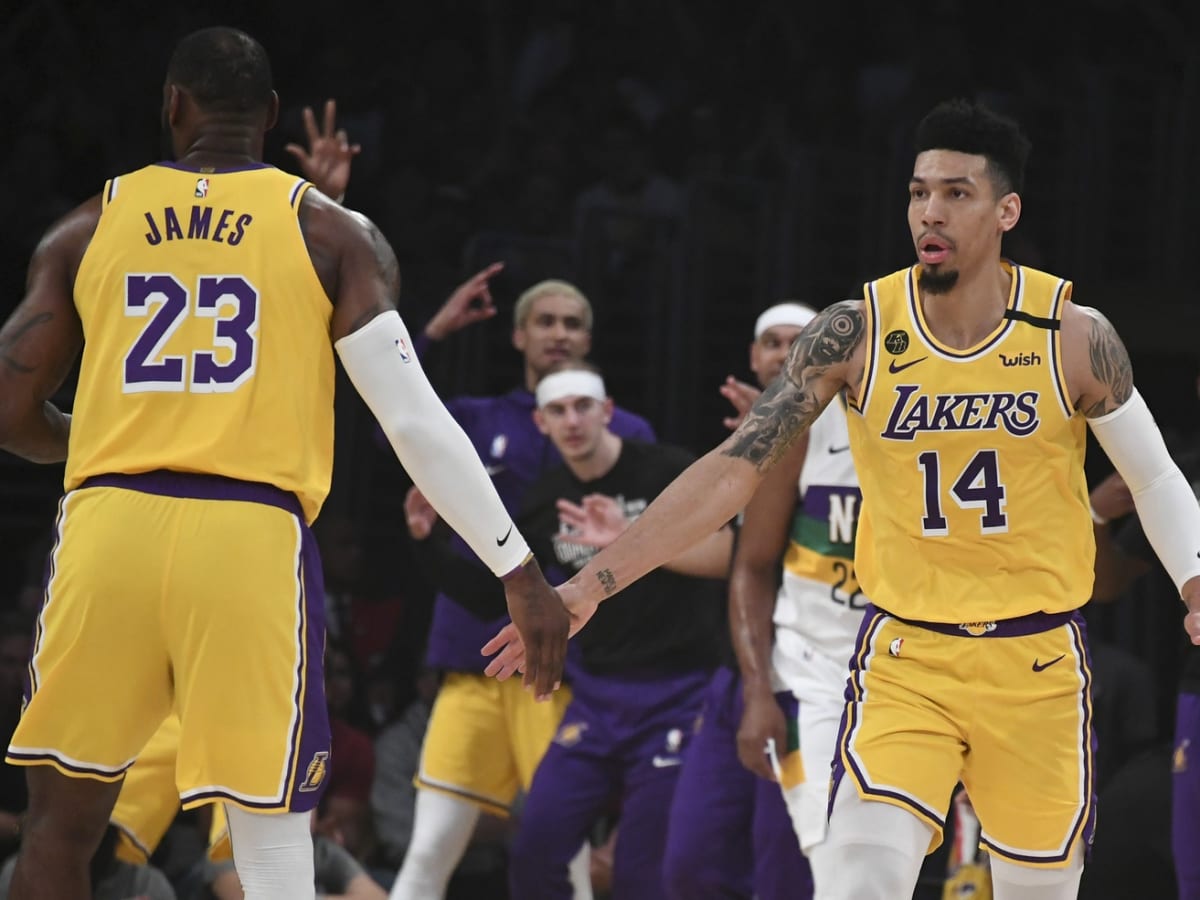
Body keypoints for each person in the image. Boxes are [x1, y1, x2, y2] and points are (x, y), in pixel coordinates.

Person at [485, 98, 1200, 900]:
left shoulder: (1074, 335)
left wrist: (1195, 581)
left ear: (1007, 211)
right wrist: (589, 585)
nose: (929, 212)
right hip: (906, 657)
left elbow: (1154, 478)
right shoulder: (855, 333)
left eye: (956, 193)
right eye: (918, 192)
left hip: (1035, 660)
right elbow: (731, 469)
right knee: (856, 882)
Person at [0, 26, 567, 900]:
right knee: (267, 829)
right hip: (248, 535)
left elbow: (9, 409)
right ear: (269, 115)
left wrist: (117, 438)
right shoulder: (331, 232)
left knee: (59, 827)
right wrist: (519, 570)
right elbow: (411, 418)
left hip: (109, 524)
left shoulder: (89, 222)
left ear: (172, 106)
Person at [419, 361, 729, 898]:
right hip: (597, 695)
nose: (572, 421)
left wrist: (631, 539)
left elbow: (732, 556)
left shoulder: (665, 470)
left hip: (679, 690)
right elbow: (500, 596)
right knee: (535, 850)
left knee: (641, 870)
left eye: (583, 406)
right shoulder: (546, 498)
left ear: (608, 411)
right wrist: (425, 543)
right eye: (558, 410)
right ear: (540, 422)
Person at [390, 280, 654, 900]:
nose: (558, 333)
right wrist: (432, 334)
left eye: (572, 322)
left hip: (566, 666)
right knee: (428, 846)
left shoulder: (628, 437)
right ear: (518, 336)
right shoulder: (477, 419)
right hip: (474, 657)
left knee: (565, 853)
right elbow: (392, 416)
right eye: (545, 321)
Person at [662, 302, 820, 900]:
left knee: (784, 872)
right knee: (690, 867)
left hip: (813, 681)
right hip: (736, 676)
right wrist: (622, 546)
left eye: (797, 341)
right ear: (753, 357)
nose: (783, 353)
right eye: (771, 342)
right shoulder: (731, 447)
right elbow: (736, 557)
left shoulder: (854, 437)